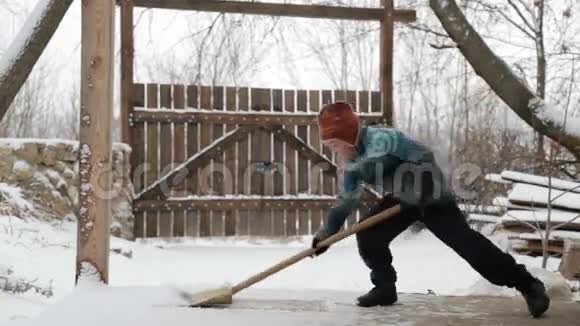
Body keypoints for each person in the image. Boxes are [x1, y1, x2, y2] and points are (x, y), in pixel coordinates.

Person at [310, 101, 550, 318]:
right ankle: (384, 288)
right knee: (369, 234)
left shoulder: (385, 140)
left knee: (466, 243)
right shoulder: (352, 165)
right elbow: (345, 202)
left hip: (431, 194)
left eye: (333, 143)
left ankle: (527, 284)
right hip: (402, 200)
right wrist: (325, 236)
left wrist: (422, 186)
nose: (333, 150)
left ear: (348, 135)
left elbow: (423, 155)